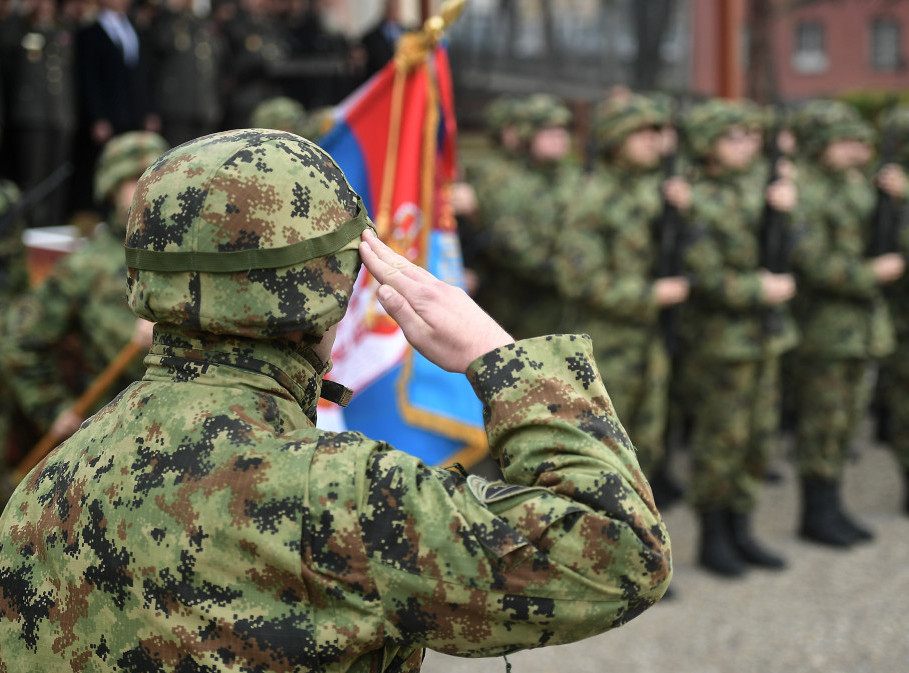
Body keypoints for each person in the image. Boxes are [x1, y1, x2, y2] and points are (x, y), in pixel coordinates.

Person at [0, 129, 671, 669]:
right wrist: (502, 360)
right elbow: (620, 553)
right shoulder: (341, 493)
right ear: (327, 292)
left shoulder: (47, 482)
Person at [679, 98, 799, 577]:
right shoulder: (693, 196)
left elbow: (787, 245)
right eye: (735, 135)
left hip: (765, 337)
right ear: (708, 144)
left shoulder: (763, 187)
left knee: (757, 438)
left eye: (752, 135)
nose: (748, 143)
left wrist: (786, 209)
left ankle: (742, 527)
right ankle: (714, 535)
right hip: (721, 340)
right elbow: (700, 274)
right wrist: (758, 288)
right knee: (720, 440)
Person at [555, 93, 690, 487]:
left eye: (658, 131)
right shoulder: (592, 196)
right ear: (616, 139)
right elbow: (578, 280)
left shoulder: (655, 190)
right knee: (604, 454)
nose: (655, 140)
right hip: (606, 347)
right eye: (643, 132)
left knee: (646, 446)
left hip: (648, 341)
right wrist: (650, 295)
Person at [0, 131, 165, 448]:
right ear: (111, 188)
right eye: (133, 179)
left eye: (156, 176)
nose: (147, 187)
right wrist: (52, 409)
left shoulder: (192, 256)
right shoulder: (84, 268)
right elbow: (20, 340)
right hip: (112, 437)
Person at [789, 100, 906, 545]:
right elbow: (812, 261)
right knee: (822, 421)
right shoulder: (806, 191)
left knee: (845, 422)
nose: (854, 149)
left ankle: (833, 505)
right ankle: (815, 513)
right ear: (820, 144)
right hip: (825, 329)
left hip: (861, 328)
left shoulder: (857, 186)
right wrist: (867, 275)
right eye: (844, 141)